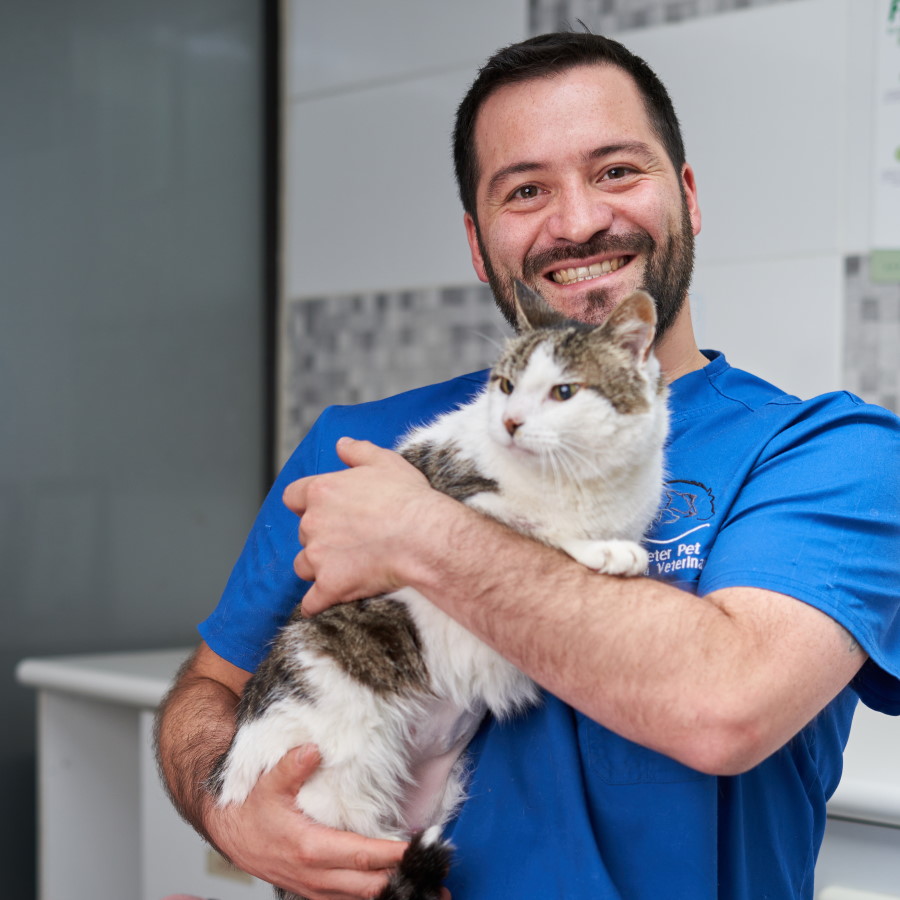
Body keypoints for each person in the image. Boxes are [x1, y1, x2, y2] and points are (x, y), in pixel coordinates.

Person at [155, 31, 900, 900]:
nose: (578, 220)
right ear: (478, 243)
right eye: (526, 189)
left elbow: (725, 707)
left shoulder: (831, 453)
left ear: (688, 197)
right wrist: (227, 806)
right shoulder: (359, 447)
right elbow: (208, 691)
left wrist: (422, 532)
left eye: (617, 171)